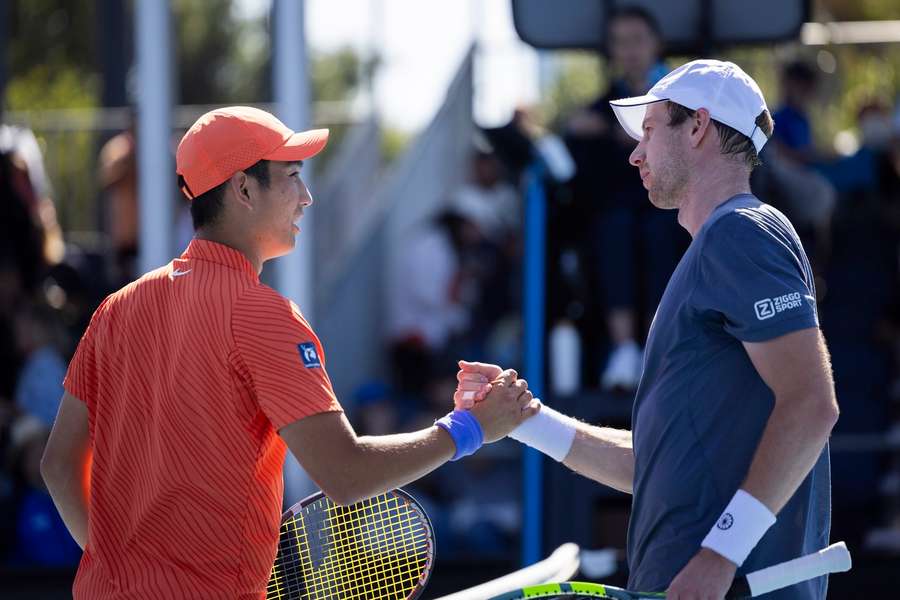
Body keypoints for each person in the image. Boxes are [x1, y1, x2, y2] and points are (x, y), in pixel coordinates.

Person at [39, 106, 539, 599]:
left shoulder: (116, 308)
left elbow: (59, 466)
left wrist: (119, 569)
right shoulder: (263, 314)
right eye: (293, 177)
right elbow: (345, 474)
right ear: (243, 189)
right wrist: (470, 429)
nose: (306, 196)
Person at [458, 60, 839, 599]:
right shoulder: (726, 242)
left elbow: (811, 405)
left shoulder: (740, 233)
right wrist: (524, 420)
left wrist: (719, 555)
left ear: (699, 126)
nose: (635, 152)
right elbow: (656, 466)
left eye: (651, 130)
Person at [565, 6, 688, 392]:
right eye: (620, 42)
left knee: (660, 233)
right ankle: (623, 349)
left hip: (675, 205)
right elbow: (578, 131)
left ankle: (659, 345)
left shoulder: (683, 91)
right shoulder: (605, 102)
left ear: (656, 44)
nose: (630, 50)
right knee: (612, 230)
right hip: (620, 209)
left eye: (637, 40)